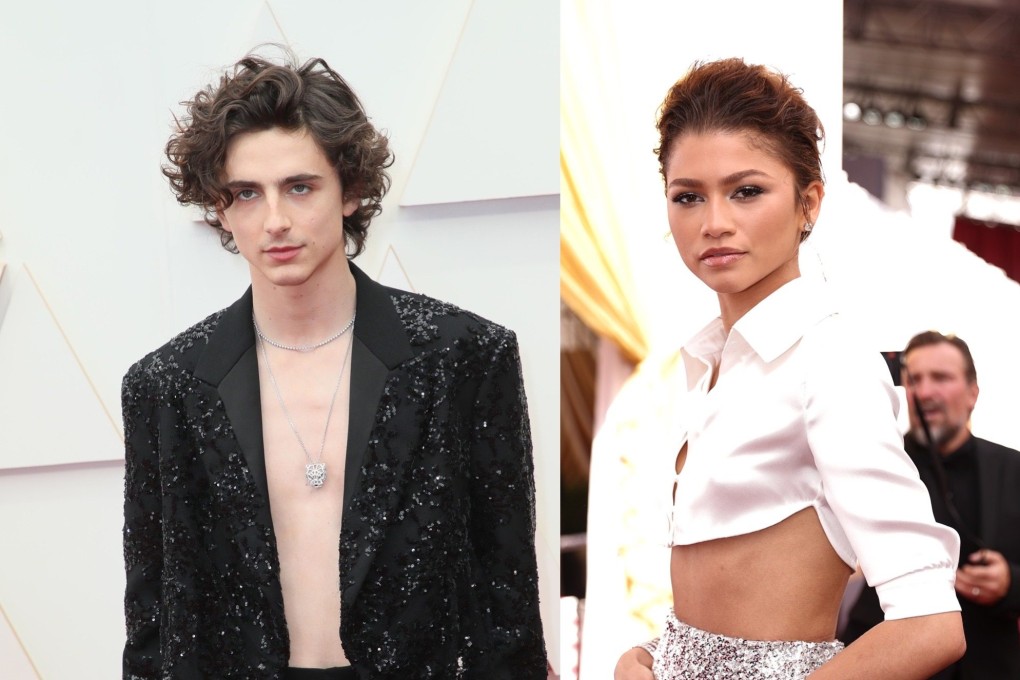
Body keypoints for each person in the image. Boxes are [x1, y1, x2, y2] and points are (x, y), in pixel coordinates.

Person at [121, 52, 547, 679]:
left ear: (348, 191)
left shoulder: (465, 357)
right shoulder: (167, 386)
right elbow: (152, 619)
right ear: (219, 209)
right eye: (245, 193)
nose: (275, 221)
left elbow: (506, 587)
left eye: (299, 186)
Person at [613, 58, 965, 679]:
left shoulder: (830, 364)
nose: (714, 222)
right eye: (688, 196)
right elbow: (733, 590)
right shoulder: (711, 360)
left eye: (746, 191)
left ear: (809, 204)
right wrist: (644, 657)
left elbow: (929, 624)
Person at [842, 331, 1020, 678]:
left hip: (989, 662)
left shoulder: (1013, 469)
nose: (924, 392)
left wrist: (1010, 582)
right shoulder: (874, 462)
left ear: (973, 393)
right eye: (914, 379)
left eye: (941, 378)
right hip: (884, 660)